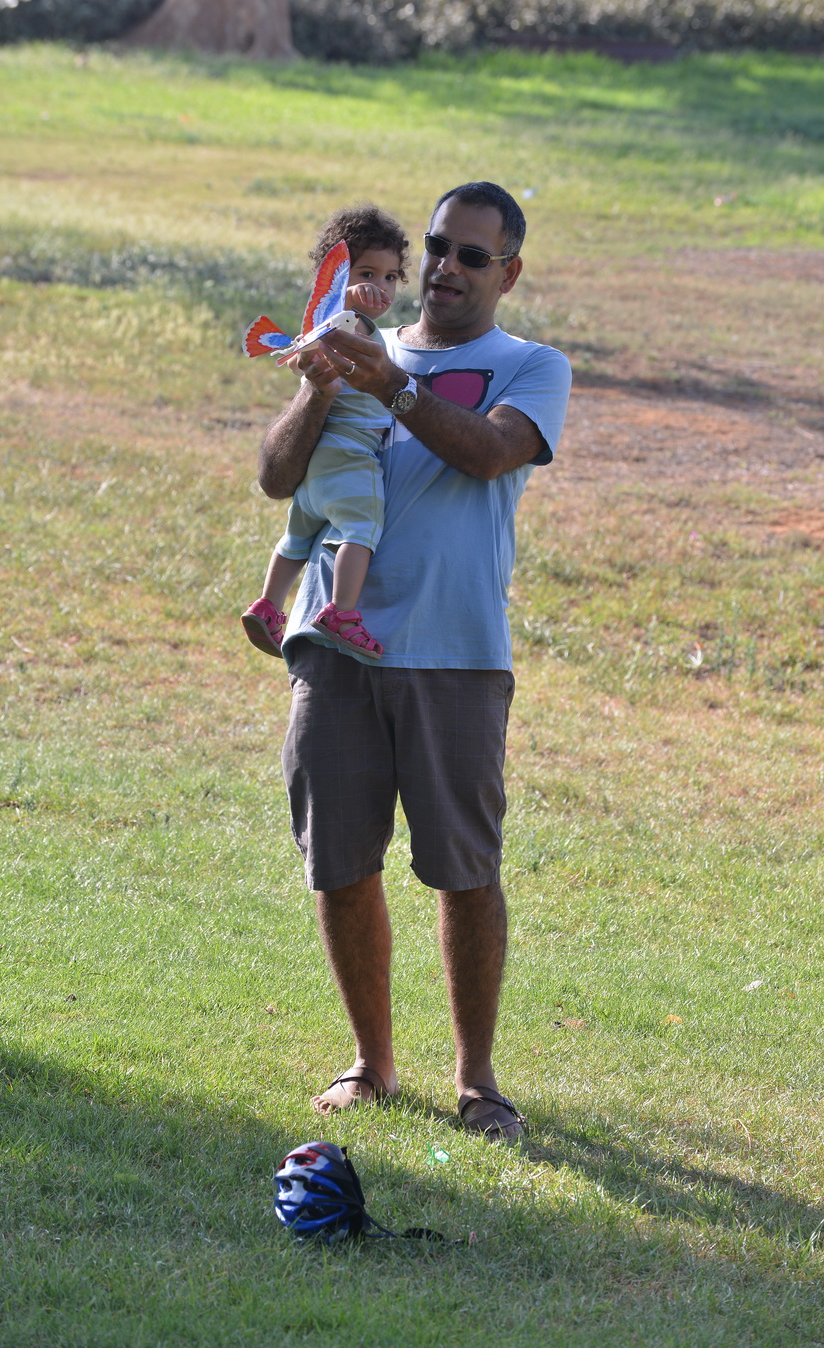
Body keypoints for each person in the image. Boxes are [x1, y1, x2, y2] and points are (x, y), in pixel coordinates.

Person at [257, 181, 572, 1141]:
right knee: (340, 862)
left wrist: (392, 385)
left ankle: (477, 1082)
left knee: (465, 870)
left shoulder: (531, 366)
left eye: (473, 255)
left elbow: (489, 453)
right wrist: (319, 387)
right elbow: (277, 476)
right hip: (333, 646)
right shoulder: (354, 336)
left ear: (508, 272)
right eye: (437, 246)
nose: (446, 268)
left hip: (455, 654)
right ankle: (374, 1065)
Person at [241, 205, 409, 661]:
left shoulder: (337, 328)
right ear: (335, 278)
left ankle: (268, 604)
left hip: (317, 466)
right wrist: (347, 305)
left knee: (296, 538)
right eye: (366, 273)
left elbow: (304, 358)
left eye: (391, 277)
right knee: (362, 528)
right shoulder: (350, 325)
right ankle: (343, 612)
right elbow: (310, 354)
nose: (380, 287)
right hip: (351, 458)